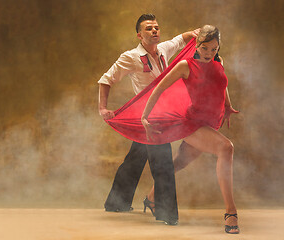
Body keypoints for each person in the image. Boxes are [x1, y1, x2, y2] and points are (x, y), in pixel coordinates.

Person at [98, 13, 198, 225]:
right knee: (162, 163)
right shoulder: (131, 56)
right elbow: (106, 79)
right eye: (149, 29)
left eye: (156, 28)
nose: (154, 31)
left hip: (164, 113)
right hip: (148, 119)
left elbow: (182, 38)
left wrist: (198, 35)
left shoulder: (164, 49)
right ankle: (167, 213)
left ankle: (116, 202)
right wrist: (102, 108)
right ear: (139, 35)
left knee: (135, 159)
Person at [140, 25, 240, 234]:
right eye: (205, 49)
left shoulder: (218, 61)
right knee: (226, 148)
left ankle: (150, 199)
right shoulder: (186, 65)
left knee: (178, 164)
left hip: (211, 122)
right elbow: (159, 88)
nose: (209, 54)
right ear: (196, 44)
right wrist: (144, 115)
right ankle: (231, 213)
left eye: (214, 49)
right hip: (193, 123)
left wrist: (228, 106)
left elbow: (222, 82)